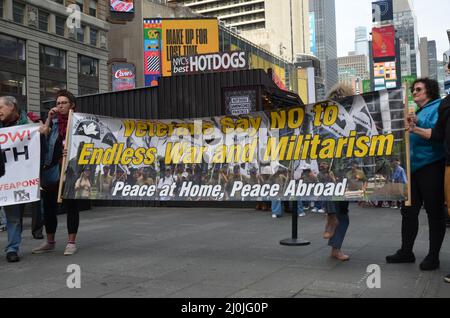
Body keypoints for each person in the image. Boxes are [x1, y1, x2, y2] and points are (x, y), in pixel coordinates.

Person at [386, 78, 446, 271]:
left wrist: (416, 123)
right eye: (413, 89)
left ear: (430, 90)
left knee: (434, 212)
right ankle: (406, 251)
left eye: (419, 89)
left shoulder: (439, 106)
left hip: (431, 166)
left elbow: (438, 133)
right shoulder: (417, 111)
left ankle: (433, 256)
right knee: (408, 211)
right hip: (412, 168)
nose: (414, 92)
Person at [32, 89, 81, 256]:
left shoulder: (80, 122)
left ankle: (71, 242)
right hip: (51, 169)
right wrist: (48, 120)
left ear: (72, 105)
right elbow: (43, 140)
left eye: (64, 103)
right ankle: (50, 241)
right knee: (49, 206)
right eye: (58, 103)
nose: (60, 106)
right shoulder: (52, 122)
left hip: (71, 169)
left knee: (71, 205)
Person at [0, 96, 45, 262]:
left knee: (13, 218)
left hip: (14, 180)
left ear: (12, 107)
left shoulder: (31, 126)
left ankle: (12, 249)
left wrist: (42, 134)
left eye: (1, 108)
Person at [322, 84, 354, 261]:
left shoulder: (342, 117)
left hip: (342, 169)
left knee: (343, 213)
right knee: (340, 209)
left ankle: (335, 247)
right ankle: (331, 218)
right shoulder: (336, 119)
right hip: (335, 169)